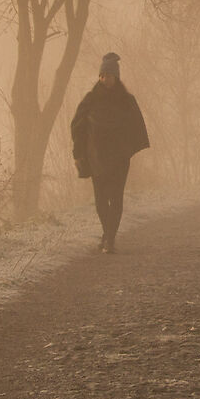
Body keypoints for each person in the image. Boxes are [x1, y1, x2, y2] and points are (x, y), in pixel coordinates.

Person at [69, 52, 150, 252]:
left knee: (116, 198)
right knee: (100, 201)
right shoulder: (90, 100)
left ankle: (110, 239)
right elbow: (77, 127)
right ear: (99, 76)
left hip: (119, 159)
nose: (105, 79)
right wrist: (78, 154)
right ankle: (108, 234)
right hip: (96, 158)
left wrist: (127, 148)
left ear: (116, 77)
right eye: (102, 75)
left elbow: (136, 127)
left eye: (109, 76)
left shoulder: (126, 101)